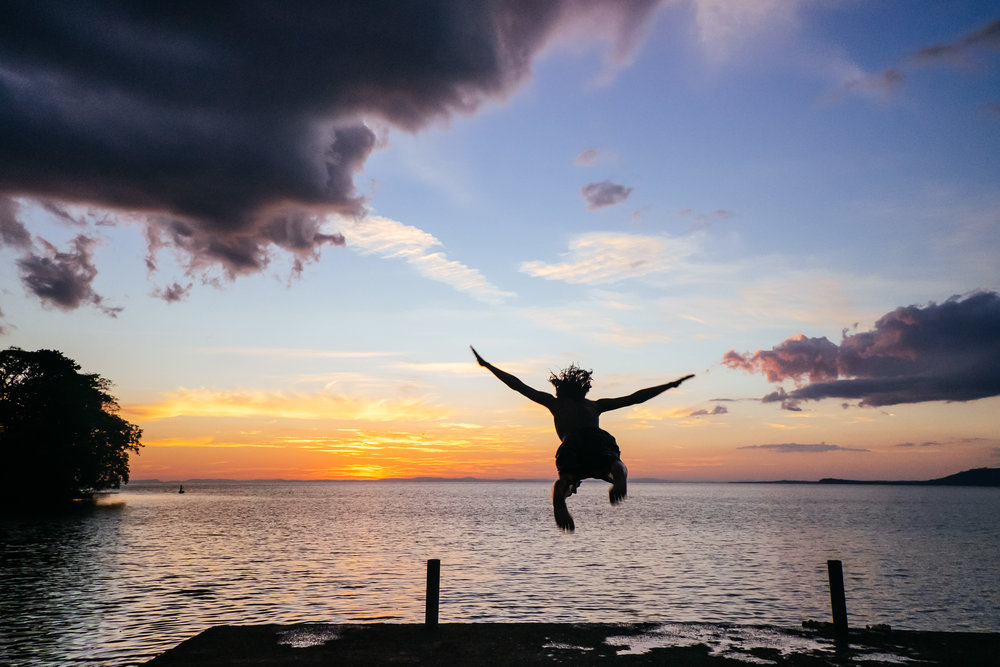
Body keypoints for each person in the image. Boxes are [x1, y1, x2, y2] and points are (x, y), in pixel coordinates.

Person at [471, 346, 693, 532]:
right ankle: (619, 475)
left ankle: (560, 499)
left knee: (567, 479)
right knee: (614, 463)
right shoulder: (595, 405)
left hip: (572, 445)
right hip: (597, 441)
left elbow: (517, 385)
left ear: (560, 391)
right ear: (583, 391)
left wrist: (488, 366)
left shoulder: (555, 403)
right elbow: (634, 398)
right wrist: (670, 385)